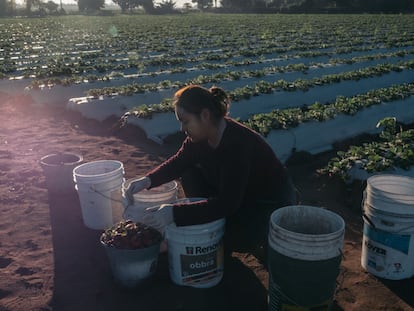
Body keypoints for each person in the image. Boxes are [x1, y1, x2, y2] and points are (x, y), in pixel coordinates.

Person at [124, 84, 297, 263]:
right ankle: (214, 224)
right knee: (190, 173)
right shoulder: (200, 137)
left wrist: (174, 213)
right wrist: (147, 181)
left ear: (205, 115)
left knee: (235, 237)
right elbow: (179, 162)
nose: (182, 129)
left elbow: (228, 203)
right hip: (238, 193)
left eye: (185, 121)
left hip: (267, 202)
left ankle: (259, 238)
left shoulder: (237, 145)